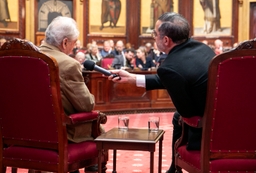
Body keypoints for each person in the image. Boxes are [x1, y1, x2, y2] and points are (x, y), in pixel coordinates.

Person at [108, 12, 215, 173]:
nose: (154, 37)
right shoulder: (202, 48)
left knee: (178, 116)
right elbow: (179, 77)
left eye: (155, 34)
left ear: (166, 40)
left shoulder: (170, 67)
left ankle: (175, 167)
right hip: (225, 114)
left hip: (207, 131)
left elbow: (187, 113)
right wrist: (132, 78)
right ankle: (174, 167)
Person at [39, 16, 99, 173]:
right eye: (73, 44)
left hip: (21, 133)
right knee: (101, 136)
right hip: (60, 134)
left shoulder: (20, 58)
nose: (73, 49)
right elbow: (86, 105)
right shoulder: (67, 63)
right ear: (65, 42)